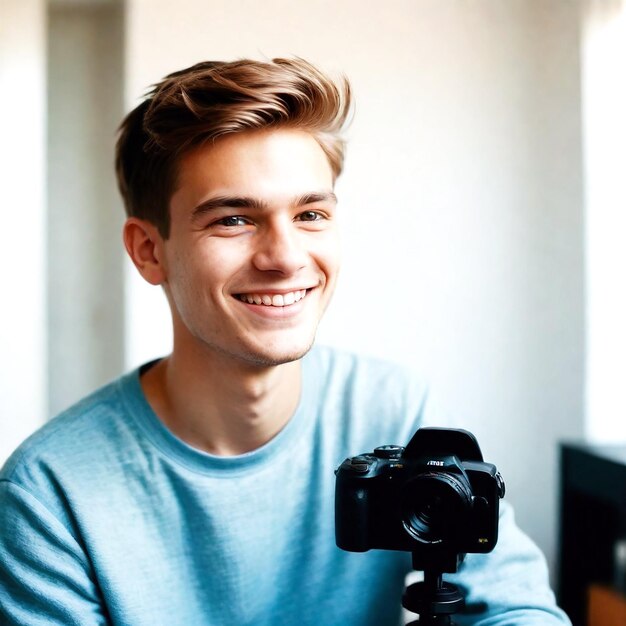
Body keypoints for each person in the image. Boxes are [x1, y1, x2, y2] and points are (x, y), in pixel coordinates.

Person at [0, 58, 570, 625]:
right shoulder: (49, 493)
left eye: (311, 213)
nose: (286, 257)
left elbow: (516, 609)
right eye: (233, 220)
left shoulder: (393, 409)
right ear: (150, 250)